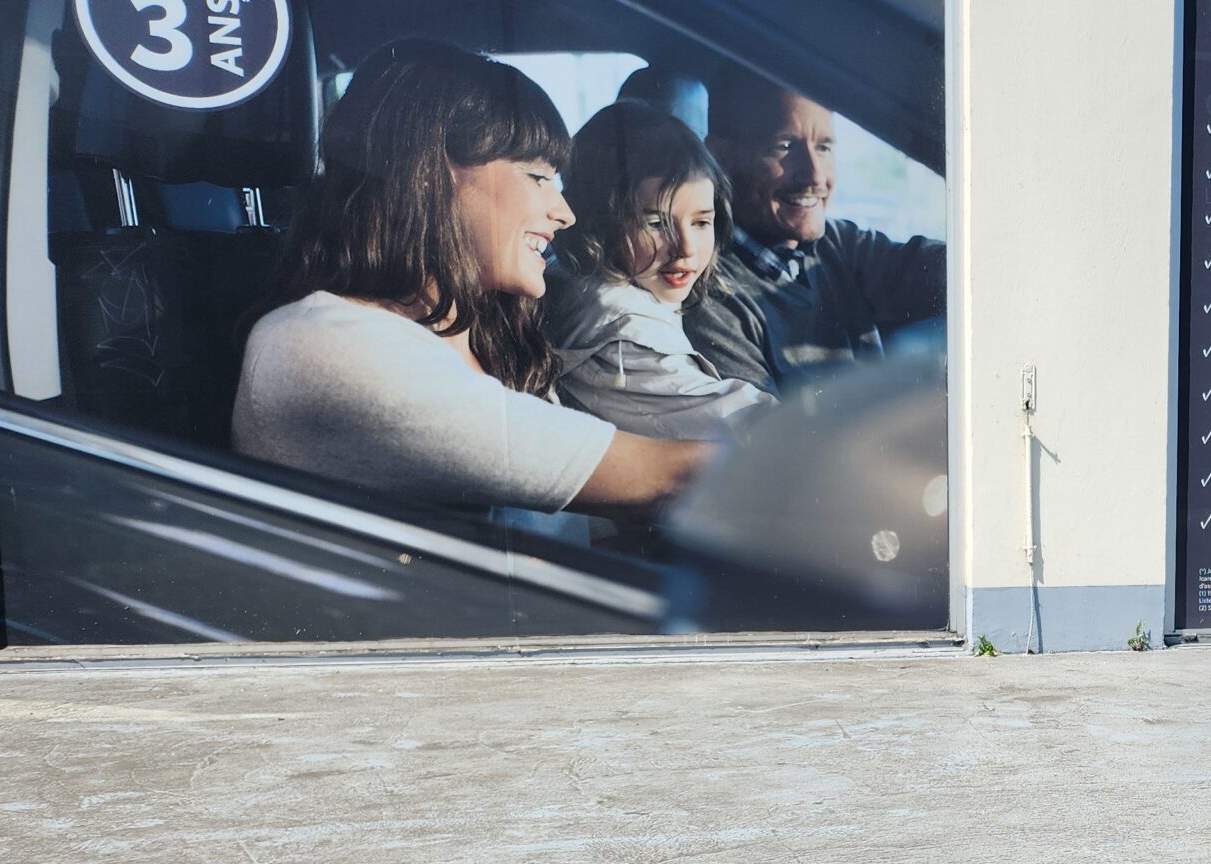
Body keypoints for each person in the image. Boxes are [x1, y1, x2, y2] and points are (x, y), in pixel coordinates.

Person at [234, 41, 713, 518]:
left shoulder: (482, 332)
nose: (565, 213)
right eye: (537, 177)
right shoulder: (325, 343)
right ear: (429, 174)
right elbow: (664, 480)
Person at [684, 72, 946, 396]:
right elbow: (761, 428)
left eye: (823, 148)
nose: (815, 176)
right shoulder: (712, 296)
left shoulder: (838, 243)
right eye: (784, 146)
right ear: (721, 157)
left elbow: (952, 271)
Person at [545, 103, 771, 443]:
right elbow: (736, 420)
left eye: (701, 222)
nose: (686, 249)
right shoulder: (623, 331)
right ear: (599, 226)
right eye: (655, 223)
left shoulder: (582, 278)